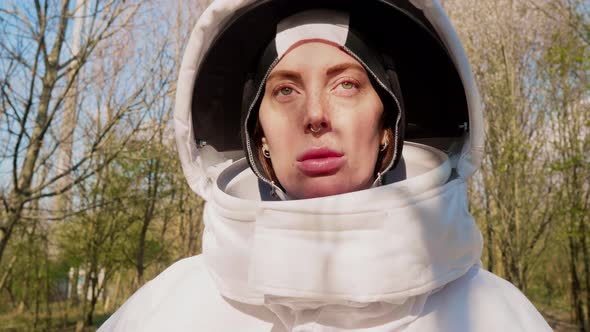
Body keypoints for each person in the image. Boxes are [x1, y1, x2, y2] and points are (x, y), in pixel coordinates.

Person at [99, 0, 552, 331]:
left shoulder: (492, 314)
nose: (315, 115)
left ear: (387, 124)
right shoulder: (163, 312)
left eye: (347, 85)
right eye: (285, 91)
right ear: (258, 136)